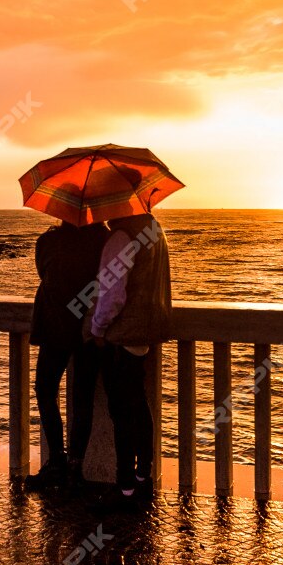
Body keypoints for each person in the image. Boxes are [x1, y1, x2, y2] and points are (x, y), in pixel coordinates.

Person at [85, 210, 173, 506]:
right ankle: (142, 477)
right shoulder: (155, 232)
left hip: (121, 337)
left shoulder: (121, 237)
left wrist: (97, 328)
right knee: (139, 407)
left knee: (122, 412)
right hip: (146, 332)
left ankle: (124, 487)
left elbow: (113, 294)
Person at [23, 218, 110, 491]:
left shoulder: (48, 242)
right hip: (88, 329)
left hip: (53, 327)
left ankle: (56, 463)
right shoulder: (104, 241)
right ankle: (75, 466)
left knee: (45, 390)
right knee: (82, 399)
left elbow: (44, 273)